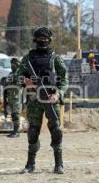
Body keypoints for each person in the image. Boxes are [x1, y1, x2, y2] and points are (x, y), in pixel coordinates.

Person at [16, 27, 68, 174]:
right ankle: (30, 164)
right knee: (32, 131)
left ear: (49, 41)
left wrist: (58, 93)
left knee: (56, 130)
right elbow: (18, 75)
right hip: (34, 99)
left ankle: (59, 164)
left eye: (45, 39)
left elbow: (64, 79)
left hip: (51, 98)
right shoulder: (27, 59)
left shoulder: (55, 59)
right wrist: (26, 81)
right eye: (40, 39)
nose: (42, 42)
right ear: (35, 40)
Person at [3, 58, 22, 138]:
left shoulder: (20, 74)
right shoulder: (10, 74)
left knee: (16, 114)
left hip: (16, 97)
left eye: (13, 65)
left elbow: (20, 84)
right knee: (13, 114)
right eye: (11, 65)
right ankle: (14, 130)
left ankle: (17, 131)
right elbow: (6, 85)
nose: (12, 66)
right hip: (10, 97)